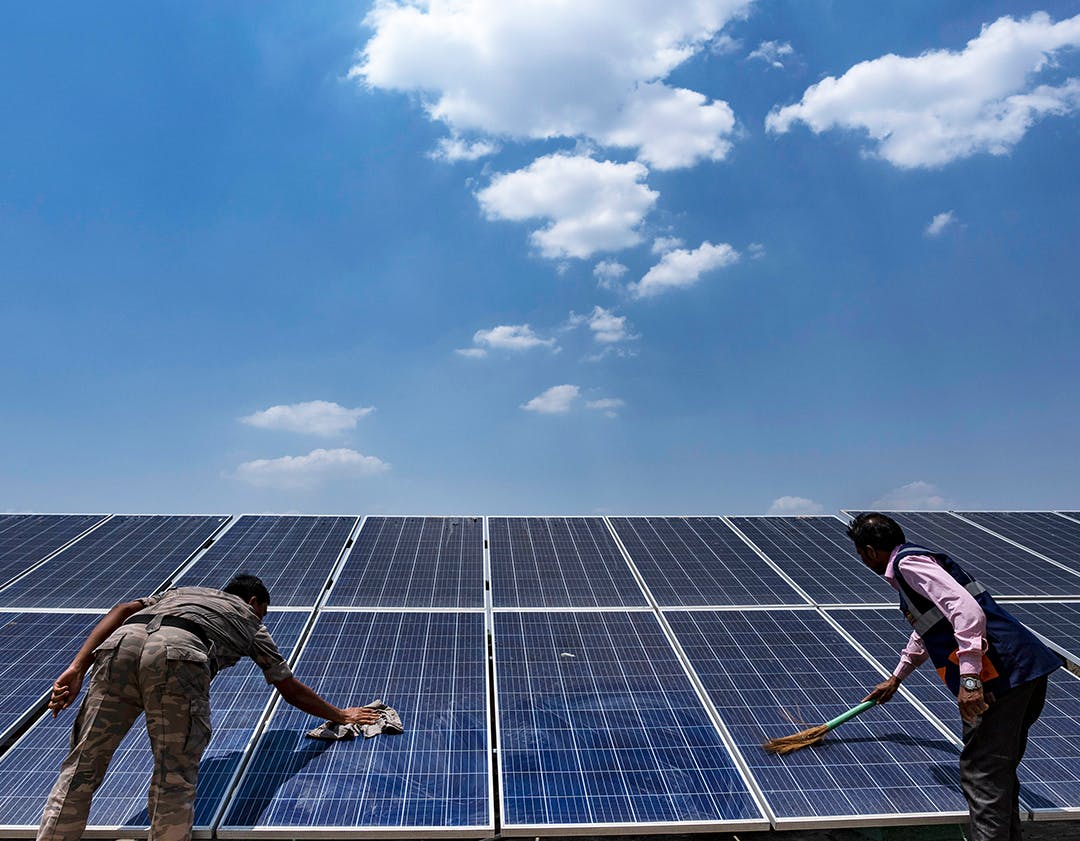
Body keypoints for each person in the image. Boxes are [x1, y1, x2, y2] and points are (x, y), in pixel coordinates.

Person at [38, 574, 378, 841]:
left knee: (82, 766)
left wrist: (77, 667)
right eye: (264, 611)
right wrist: (340, 715)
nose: (262, 618)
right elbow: (289, 689)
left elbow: (123, 610)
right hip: (178, 654)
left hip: (120, 646)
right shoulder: (249, 618)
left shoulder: (179, 592)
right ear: (254, 601)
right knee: (174, 775)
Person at [848, 513, 1061, 841]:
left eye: (861, 553)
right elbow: (930, 627)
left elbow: (967, 613)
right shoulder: (920, 563)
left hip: (1000, 678)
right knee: (997, 772)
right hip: (1024, 669)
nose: (862, 560)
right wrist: (897, 677)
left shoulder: (909, 566)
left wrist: (971, 680)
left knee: (981, 774)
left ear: (871, 550)